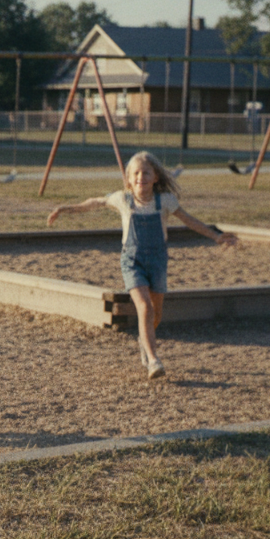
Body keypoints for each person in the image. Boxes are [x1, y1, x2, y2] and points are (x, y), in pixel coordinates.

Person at [47, 151, 237, 379]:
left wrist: (216, 236)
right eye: (135, 173)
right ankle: (153, 360)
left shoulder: (165, 201)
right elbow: (95, 202)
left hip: (157, 262)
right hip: (132, 261)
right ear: (128, 179)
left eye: (146, 172)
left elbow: (189, 221)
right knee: (144, 307)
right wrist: (65, 209)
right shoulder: (123, 199)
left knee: (155, 314)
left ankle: (144, 341)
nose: (141, 177)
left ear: (155, 177)